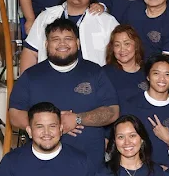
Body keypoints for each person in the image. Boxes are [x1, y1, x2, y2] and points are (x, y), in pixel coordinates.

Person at [12, 17, 119, 167]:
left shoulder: (95, 72)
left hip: (90, 164)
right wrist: (52, 125)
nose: (62, 43)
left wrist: (78, 119)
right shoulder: (30, 76)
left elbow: (113, 111)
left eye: (68, 39)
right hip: (44, 164)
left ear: (78, 43)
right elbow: (15, 115)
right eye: (55, 39)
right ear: (46, 44)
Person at [18, 0, 118, 71]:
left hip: (93, 80)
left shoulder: (106, 21)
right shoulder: (46, 16)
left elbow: (120, 54)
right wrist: (25, 81)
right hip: (50, 80)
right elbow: (30, 52)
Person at [125, 55, 169, 169]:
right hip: (139, 172)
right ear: (148, 76)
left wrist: (168, 139)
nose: (162, 79)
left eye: (167, 74)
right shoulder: (131, 106)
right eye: (156, 73)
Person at [103, 23, 147, 110]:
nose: (122, 49)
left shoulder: (148, 71)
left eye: (127, 44)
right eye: (117, 45)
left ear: (136, 46)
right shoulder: (104, 73)